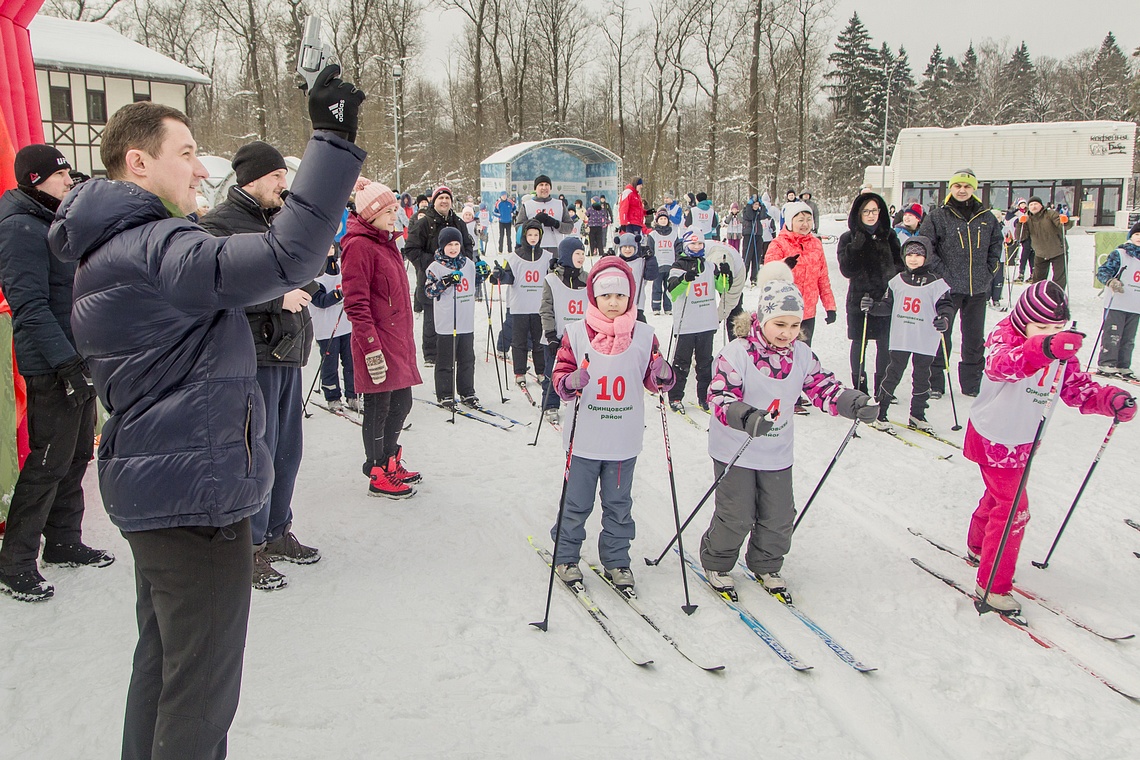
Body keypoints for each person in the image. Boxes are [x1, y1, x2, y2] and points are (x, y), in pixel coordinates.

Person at [50, 65, 365, 758]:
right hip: (196, 495)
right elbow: (291, 254)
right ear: (139, 161)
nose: (199, 170)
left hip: (163, 486)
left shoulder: (114, 248)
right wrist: (333, 139)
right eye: (186, 152)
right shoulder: (157, 246)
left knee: (166, 672)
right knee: (199, 700)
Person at [699, 260, 878, 599]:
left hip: (777, 451)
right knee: (736, 513)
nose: (787, 332)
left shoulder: (802, 356)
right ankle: (718, 562)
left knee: (779, 515)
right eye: (779, 324)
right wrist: (746, 415)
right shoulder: (736, 354)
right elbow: (718, 396)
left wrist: (854, 403)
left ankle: (766, 564)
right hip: (735, 448)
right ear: (762, 319)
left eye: (795, 325)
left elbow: (824, 388)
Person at [964, 281, 1135, 614]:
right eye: (1041, 327)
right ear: (1023, 320)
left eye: (1057, 328)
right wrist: (1044, 348)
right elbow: (1001, 366)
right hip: (993, 436)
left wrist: (1109, 399)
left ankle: (977, 545)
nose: (1050, 334)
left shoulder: (1062, 351)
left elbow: (1075, 389)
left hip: (1025, 439)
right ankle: (992, 586)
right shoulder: (1006, 337)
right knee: (1014, 509)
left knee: (998, 498)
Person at [200, 140, 322, 592]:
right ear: (251, 177)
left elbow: (291, 270)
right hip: (253, 354)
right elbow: (220, 287)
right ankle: (247, 549)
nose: (282, 184)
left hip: (289, 350)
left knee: (288, 448)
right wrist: (278, 297)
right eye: (275, 177)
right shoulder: (219, 226)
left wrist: (314, 282)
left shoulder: (277, 220)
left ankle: (277, 531)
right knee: (257, 451)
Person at [0, 144, 112, 603]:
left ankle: (64, 540)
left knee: (78, 454)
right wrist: (64, 362)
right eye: (60, 174)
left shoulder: (51, 219)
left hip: (78, 353)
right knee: (49, 460)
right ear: (34, 180)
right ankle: (15, 561)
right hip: (51, 361)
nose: (69, 180)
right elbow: (28, 305)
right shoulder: (21, 228)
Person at [550, 256, 675, 590]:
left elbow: (655, 378)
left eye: (620, 295)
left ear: (630, 297)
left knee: (619, 506)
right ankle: (565, 555)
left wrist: (662, 375)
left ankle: (617, 560)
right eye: (606, 296)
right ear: (593, 297)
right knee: (577, 503)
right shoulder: (576, 334)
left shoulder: (645, 335)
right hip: (585, 439)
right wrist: (569, 381)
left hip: (623, 439)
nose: (613, 302)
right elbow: (560, 377)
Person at [342, 178, 423, 500]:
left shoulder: (384, 241)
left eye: (395, 210)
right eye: (389, 211)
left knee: (402, 402)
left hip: (397, 338)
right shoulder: (358, 245)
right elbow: (356, 303)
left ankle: (390, 458)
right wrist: (371, 348)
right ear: (371, 213)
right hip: (376, 342)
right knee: (379, 405)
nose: (395, 216)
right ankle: (376, 470)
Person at [918, 169, 1004, 397]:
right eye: (958, 186)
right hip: (947, 289)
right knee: (941, 335)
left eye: (966, 187)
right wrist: (943, 275)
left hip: (978, 288)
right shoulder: (938, 216)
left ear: (974, 189)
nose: (962, 190)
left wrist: (988, 272)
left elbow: (997, 246)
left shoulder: (987, 217)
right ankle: (935, 383)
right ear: (951, 189)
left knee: (974, 338)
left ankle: (972, 384)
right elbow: (926, 247)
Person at [868, 236, 954, 433]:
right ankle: (880, 412)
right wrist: (872, 307)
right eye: (909, 255)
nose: (913, 259)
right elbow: (886, 306)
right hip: (902, 336)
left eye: (918, 255)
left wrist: (945, 319)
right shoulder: (897, 281)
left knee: (922, 377)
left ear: (927, 257)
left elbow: (946, 306)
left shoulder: (936, 283)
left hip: (925, 337)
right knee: (893, 373)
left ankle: (918, 414)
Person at [837, 192, 903, 396]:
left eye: (874, 210)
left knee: (884, 344)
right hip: (859, 298)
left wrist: (892, 289)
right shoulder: (848, 237)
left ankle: (882, 388)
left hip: (884, 297)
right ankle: (859, 386)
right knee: (859, 341)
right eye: (866, 211)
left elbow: (900, 265)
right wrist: (855, 248)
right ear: (858, 213)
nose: (871, 215)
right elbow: (846, 270)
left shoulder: (889, 236)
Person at [404, 186, 474, 366]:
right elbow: (411, 249)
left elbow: (467, 246)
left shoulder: (458, 222)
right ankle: (431, 353)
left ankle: (455, 350)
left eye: (447, 198)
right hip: (432, 277)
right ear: (434, 201)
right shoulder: (424, 223)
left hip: (457, 279)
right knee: (431, 316)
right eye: (440, 198)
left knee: (455, 313)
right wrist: (433, 264)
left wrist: (463, 264)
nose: (444, 201)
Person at [425, 226, 488, 407]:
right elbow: (429, 291)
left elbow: (475, 281)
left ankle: (467, 391)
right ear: (442, 246)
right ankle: (445, 393)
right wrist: (445, 282)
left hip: (465, 321)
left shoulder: (467, 263)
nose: (453, 248)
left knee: (467, 359)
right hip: (446, 322)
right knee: (446, 360)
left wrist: (482, 274)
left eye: (456, 244)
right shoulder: (435, 267)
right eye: (449, 245)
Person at [763, 201, 836, 346]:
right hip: (784, 311)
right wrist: (784, 265)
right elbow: (767, 276)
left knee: (803, 352)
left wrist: (830, 306)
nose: (805, 224)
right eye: (800, 220)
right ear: (790, 221)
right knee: (783, 352)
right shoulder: (778, 244)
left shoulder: (816, 244)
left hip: (808, 311)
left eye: (809, 220)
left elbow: (823, 278)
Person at [490, 219, 549, 390]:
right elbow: (508, 278)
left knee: (539, 341)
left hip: (539, 307)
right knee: (519, 341)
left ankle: (541, 371)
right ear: (523, 236)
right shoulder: (513, 257)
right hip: (519, 307)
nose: (533, 238)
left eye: (536, 235)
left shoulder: (547, 257)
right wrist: (499, 275)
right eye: (529, 235)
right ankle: (519, 372)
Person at [666, 231, 720, 413]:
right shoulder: (678, 265)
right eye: (693, 244)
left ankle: (704, 397)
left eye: (700, 245)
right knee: (682, 363)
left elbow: (722, 288)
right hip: (687, 325)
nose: (697, 248)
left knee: (705, 363)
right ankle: (675, 396)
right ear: (686, 245)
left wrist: (724, 275)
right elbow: (672, 292)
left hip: (706, 322)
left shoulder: (710, 266)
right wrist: (684, 279)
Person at [539, 237, 588, 426]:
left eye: (583, 254)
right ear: (567, 255)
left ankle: (577, 400)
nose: (582, 257)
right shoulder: (551, 280)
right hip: (557, 336)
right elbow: (546, 309)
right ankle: (550, 403)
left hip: (579, 337)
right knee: (553, 372)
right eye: (578, 254)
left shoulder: (588, 279)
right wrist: (550, 335)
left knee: (579, 371)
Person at [311, 242, 357, 413]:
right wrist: (340, 293)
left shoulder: (340, 266)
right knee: (330, 364)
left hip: (345, 324)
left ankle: (353, 395)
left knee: (351, 361)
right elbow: (321, 301)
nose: (329, 249)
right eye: (325, 246)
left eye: (331, 246)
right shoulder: (314, 273)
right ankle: (332, 396)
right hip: (326, 328)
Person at [1095, 220, 1140, 378]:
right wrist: (1111, 281)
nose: (1139, 237)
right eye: (1136, 234)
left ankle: (1123, 365)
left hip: (1135, 304)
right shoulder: (1121, 253)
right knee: (1113, 334)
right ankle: (1107, 362)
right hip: (1117, 303)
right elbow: (1103, 271)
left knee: (1129, 338)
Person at [1015, 196, 1074, 289]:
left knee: (1059, 280)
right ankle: (1038, 298)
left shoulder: (1051, 214)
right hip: (1040, 253)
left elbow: (1064, 226)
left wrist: (1065, 221)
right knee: (1037, 280)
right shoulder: (1027, 219)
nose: (1033, 206)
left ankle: (1057, 297)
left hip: (1058, 251)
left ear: (1041, 205)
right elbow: (1021, 237)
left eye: (1036, 204)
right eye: (1031, 205)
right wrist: (1020, 224)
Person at [516, 174, 575, 255]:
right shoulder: (527, 205)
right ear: (535, 188)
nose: (544, 188)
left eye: (547, 185)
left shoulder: (559, 204)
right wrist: (534, 222)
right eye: (541, 185)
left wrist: (556, 223)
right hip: (534, 248)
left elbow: (569, 228)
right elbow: (518, 228)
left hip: (556, 248)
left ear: (550, 188)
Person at [614, 231, 658, 322]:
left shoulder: (641, 261)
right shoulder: (616, 262)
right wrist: (605, 258)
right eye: (624, 247)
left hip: (637, 304)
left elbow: (651, 275)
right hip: (619, 305)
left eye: (630, 247)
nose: (627, 249)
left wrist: (651, 259)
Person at [649, 208, 679, 315]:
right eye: (660, 218)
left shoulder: (674, 234)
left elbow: (678, 248)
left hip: (670, 265)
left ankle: (668, 307)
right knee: (657, 287)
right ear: (657, 220)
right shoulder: (653, 235)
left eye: (664, 218)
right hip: (658, 265)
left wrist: (678, 261)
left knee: (668, 287)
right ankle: (656, 307)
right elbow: (650, 249)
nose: (662, 220)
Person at [1006, 198, 1032, 283]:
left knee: (1031, 256)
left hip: (1030, 237)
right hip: (1023, 237)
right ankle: (1021, 274)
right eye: (1021, 204)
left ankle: (1032, 274)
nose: (1023, 205)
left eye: (1024, 204)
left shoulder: (1029, 212)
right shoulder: (1017, 213)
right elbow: (1009, 217)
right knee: (1024, 257)